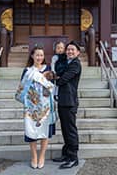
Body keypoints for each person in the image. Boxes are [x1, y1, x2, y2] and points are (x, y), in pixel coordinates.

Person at [16, 46, 56, 169]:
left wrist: (44, 77)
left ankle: (42, 155)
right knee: (31, 130)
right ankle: (34, 155)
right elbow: (22, 87)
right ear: (32, 56)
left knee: (45, 131)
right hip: (31, 105)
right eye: (37, 55)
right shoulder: (27, 70)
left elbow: (52, 85)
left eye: (41, 55)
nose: (39, 57)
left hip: (45, 104)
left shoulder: (48, 69)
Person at [52, 41, 82, 169]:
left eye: (72, 50)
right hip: (63, 100)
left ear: (77, 52)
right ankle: (66, 154)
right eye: (68, 49)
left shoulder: (75, 64)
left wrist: (54, 78)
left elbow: (63, 79)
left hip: (69, 101)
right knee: (64, 129)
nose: (69, 52)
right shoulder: (65, 63)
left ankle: (73, 157)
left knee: (70, 130)